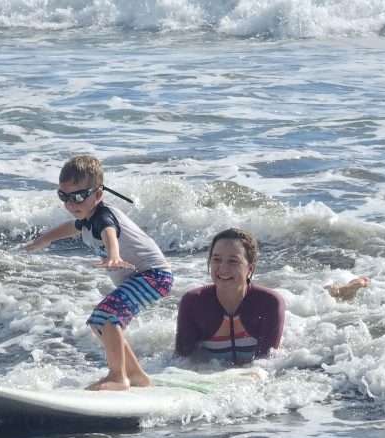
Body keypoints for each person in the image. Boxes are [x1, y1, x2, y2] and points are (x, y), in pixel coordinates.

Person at [24, 154, 172, 391]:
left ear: (98, 194)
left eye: (79, 196)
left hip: (153, 276)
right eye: (64, 196)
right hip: (141, 277)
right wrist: (42, 241)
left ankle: (117, 377)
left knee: (109, 314)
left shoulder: (103, 216)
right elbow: (71, 227)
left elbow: (109, 232)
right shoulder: (87, 217)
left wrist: (113, 255)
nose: (71, 204)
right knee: (98, 322)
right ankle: (136, 376)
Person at [174, 228, 284, 365]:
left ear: (250, 268)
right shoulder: (193, 302)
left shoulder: (268, 302)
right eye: (216, 259)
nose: (223, 268)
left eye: (233, 261)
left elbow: (265, 365)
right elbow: (180, 363)